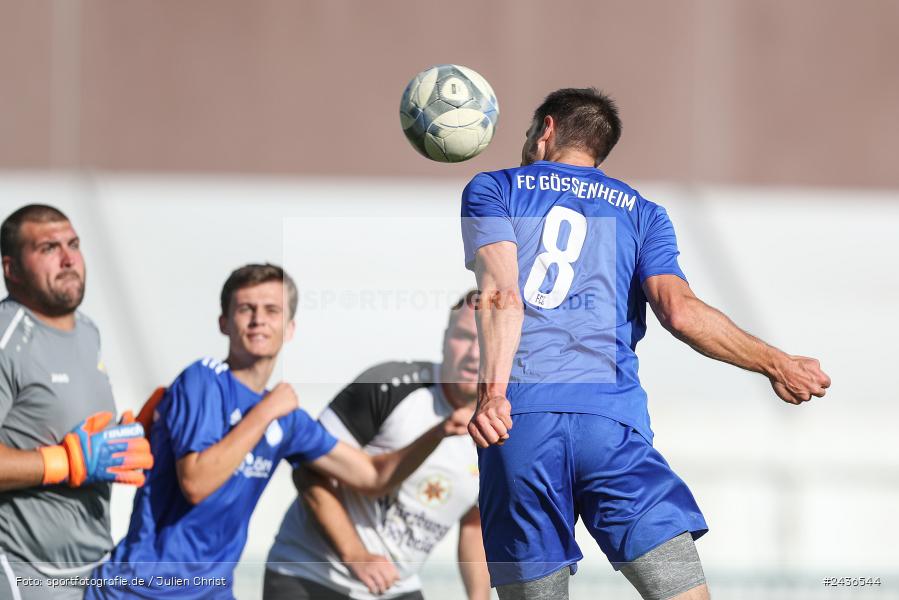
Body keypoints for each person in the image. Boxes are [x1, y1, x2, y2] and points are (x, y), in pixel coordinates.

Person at [461, 88, 831, 600]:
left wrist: (492, 394)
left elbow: (501, 293)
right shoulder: (643, 212)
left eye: (529, 132)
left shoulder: (494, 188)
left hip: (521, 421)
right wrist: (777, 362)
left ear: (546, 129)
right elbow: (680, 312)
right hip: (610, 426)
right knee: (683, 592)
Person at [86, 264, 470, 599]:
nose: (258, 320)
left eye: (272, 311)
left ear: (289, 329)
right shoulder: (202, 380)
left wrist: (437, 433)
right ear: (224, 322)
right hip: (142, 587)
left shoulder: (286, 418)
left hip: (212, 590)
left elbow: (371, 476)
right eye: (245, 309)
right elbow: (197, 482)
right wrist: (264, 411)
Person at [265, 292, 489, 600]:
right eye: (464, 336)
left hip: (396, 587)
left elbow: (474, 524)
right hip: (311, 574)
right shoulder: (388, 387)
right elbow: (307, 471)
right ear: (444, 338)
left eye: (486, 341)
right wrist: (356, 555)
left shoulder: (502, 426)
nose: (474, 353)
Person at [0, 204, 152, 600]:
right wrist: (66, 463)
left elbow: (68, 428)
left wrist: (135, 437)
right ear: (11, 269)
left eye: (74, 244)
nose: (68, 259)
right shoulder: (6, 337)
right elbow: (74, 457)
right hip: (21, 571)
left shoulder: (88, 331)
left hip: (91, 569)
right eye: (49, 248)